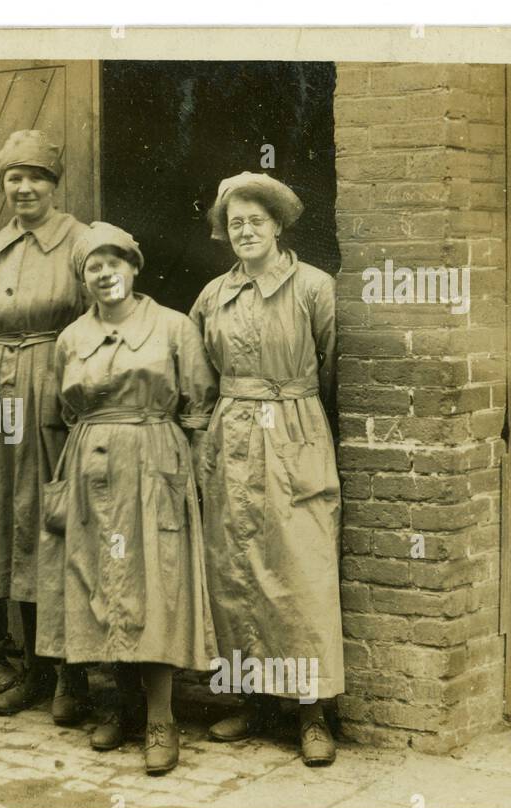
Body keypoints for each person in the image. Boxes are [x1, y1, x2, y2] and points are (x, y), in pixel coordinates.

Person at [36, 222, 217, 776]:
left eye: (115, 261)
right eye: (93, 265)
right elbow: (66, 412)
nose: (105, 272)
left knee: (153, 581)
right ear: (83, 277)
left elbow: (198, 406)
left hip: (153, 461)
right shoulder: (70, 338)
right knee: (98, 578)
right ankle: (120, 706)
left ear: (134, 268)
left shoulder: (173, 326)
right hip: (92, 463)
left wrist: (187, 475)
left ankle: (162, 718)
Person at [189, 172, 343, 766]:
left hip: (296, 429)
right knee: (236, 570)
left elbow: (331, 369)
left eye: (256, 220)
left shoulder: (313, 287)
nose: (246, 230)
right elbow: (202, 377)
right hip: (231, 439)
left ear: (278, 225)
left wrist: (304, 426)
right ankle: (251, 701)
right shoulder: (211, 296)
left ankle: (311, 712)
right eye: (235, 223)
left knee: (300, 569)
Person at [0, 129, 92, 717]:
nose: (24, 187)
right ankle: (9, 663)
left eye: (36, 176)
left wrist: (76, 399)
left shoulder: (81, 243)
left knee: (50, 521)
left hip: (54, 390)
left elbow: (97, 324)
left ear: (53, 184)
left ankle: (63, 672)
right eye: (14, 177)